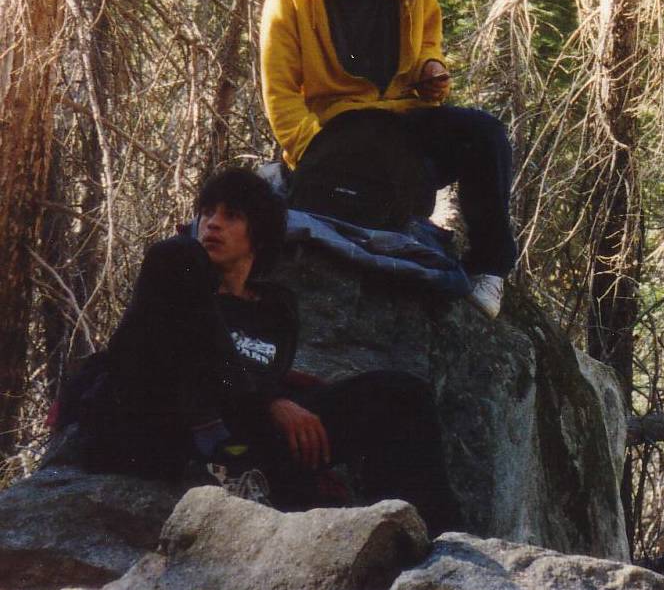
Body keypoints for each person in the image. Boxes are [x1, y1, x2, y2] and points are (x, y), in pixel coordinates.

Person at [73, 168, 463, 533]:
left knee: (400, 393)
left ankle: (431, 540)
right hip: (160, 423)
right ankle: (228, 462)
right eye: (207, 213)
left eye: (231, 216)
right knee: (176, 254)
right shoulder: (176, 283)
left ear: (257, 234)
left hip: (241, 436)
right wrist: (268, 400)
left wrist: (279, 403)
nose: (212, 223)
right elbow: (177, 367)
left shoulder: (275, 309)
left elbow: (264, 380)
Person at [259, 0, 516, 318]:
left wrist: (430, 70)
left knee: (484, 135)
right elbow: (280, 90)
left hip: (401, 116)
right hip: (336, 129)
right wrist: (311, 154)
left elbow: (428, 40)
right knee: (393, 164)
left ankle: (489, 268)